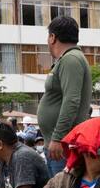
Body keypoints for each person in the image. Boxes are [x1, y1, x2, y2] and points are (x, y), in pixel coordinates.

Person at [37, 16, 92, 178]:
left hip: (63, 146)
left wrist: (58, 137)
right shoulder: (68, 59)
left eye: (48, 36)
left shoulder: (71, 59)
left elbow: (71, 101)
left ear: (53, 37)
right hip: (59, 144)